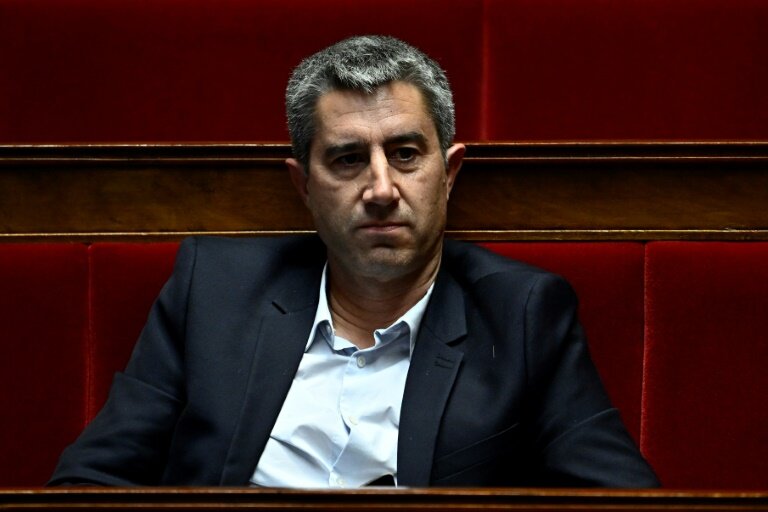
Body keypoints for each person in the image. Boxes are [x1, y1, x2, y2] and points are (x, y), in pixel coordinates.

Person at [50, 35, 658, 488]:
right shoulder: (211, 290)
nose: (381, 188)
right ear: (303, 186)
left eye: (405, 154)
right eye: (347, 159)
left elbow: (624, 503)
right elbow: (90, 486)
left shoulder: (524, 313)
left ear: (448, 175)